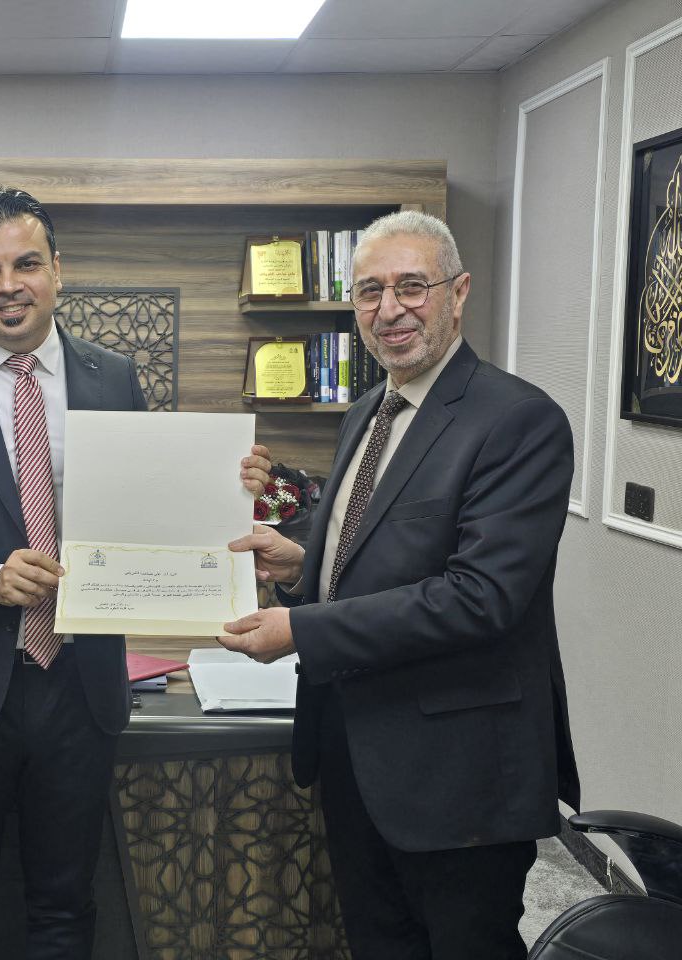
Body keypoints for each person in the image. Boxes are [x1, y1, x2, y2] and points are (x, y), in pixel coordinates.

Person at [0, 184, 269, 958]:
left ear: (57, 270)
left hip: (79, 687)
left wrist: (226, 486)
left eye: (26, 264)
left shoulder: (113, 376)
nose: (8, 285)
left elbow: (145, 507)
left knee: (66, 908)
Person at [221, 211, 581, 960]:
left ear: (459, 292)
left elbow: (480, 597)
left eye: (412, 286)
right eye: (369, 291)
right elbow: (369, 555)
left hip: (461, 775)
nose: (389, 310)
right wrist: (302, 570)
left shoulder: (519, 420)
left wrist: (301, 630)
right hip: (357, 753)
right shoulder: (367, 414)